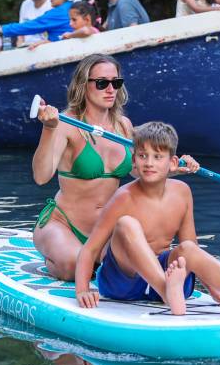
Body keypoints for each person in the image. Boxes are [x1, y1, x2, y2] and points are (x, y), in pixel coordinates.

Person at [73, 121, 220, 318]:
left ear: (173, 163)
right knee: (127, 224)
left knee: (187, 248)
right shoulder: (123, 197)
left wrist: (214, 289)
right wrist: (82, 290)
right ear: (134, 161)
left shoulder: (182, 192)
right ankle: (166, 291)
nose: (149, 163)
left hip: (170, 279)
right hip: (122, 282)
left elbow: (192, 250)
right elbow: (90, 249)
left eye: (157, 157)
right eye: (143, 156)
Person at [31, 55, 199, 280]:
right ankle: (56, 258)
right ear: (84, 85)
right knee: (74, 266)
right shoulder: (65, 123)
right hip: (64, 224)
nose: (111, 89)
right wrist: (49, 129)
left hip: (104, 230)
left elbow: (136, 170)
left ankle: (96, 259)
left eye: (116, 83)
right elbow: (41, 177)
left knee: (136, 267)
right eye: (102, 83)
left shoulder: (123, 125)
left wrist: (170, 168)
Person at [27, 1, 99, 50]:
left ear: (87, 19)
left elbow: (86, 31)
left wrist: (70, 35)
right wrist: (40, 44)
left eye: (74, 20)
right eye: (70, 20)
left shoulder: (93, 30)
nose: (70, 24)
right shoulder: (77, 35)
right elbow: (57, 44)